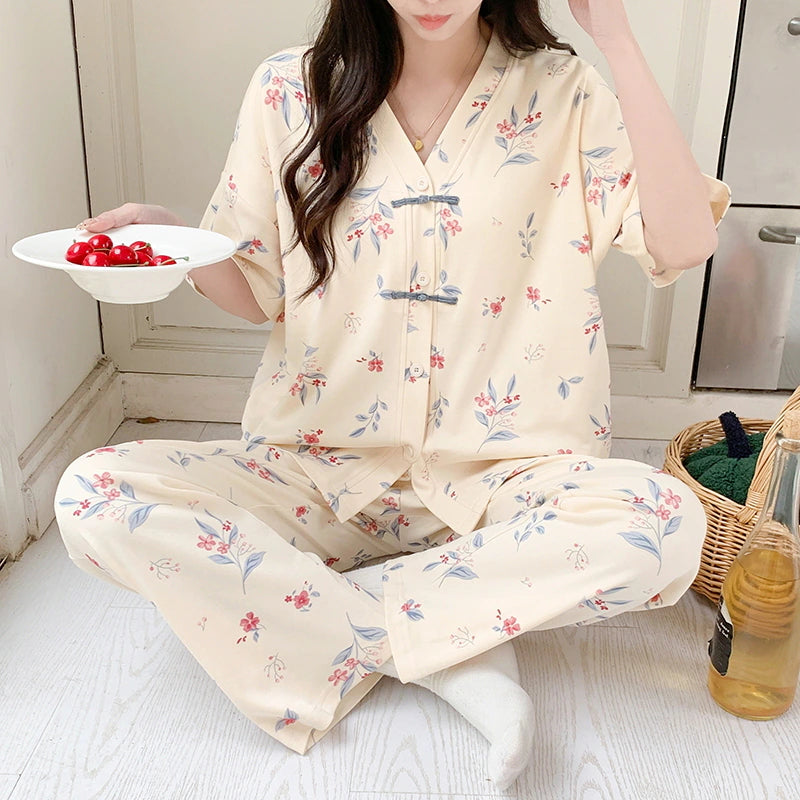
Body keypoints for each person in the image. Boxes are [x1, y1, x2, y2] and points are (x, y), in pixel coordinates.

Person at [55, 0, 731, 789]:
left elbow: (685, 241)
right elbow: (256, 290)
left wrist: (614, 33)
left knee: (664, 524)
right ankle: (449, 641)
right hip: (317, 475)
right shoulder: (289, 91)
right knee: (94, 496)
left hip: (504, 487)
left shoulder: (565, 92)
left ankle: (336, 622)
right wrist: (172, 241)